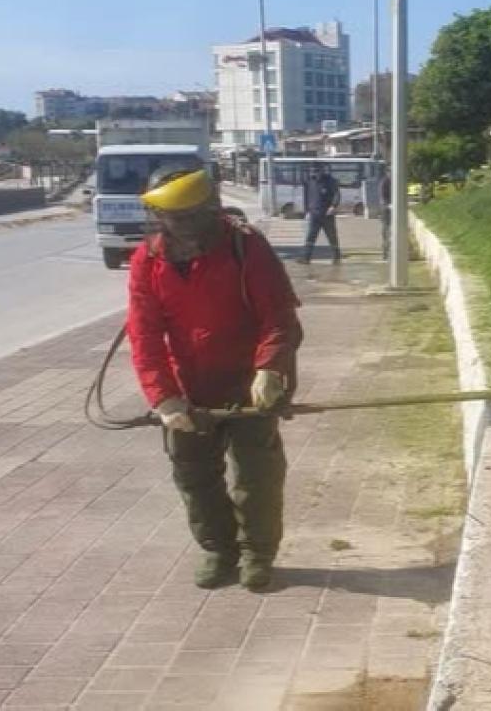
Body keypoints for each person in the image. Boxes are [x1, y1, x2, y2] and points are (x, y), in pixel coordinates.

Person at [126, 167, 303, 591]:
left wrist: (270, 369)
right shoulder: (147, 261)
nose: (185, 227)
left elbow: (279, 317)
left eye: (193, 216)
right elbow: (144, 335)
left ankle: (257, 553)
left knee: (257, 476)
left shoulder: (246, 247)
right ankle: (219, 549)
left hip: (250, 385)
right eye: (175, 218)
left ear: (211, 208)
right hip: (189, 389)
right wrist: (164, 397)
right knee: (194, 476)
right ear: (159, 216)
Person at [299, 162, 341, 264]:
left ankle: (336, 257)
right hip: (314, 214)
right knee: (310, 236)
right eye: (312, 171)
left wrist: (333, 206)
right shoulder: (309, 181)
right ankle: (306, 258)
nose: (314, 174)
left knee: (332, 236)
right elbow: (306, 197)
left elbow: (337, 194)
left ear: (322, 171)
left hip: (327, 214)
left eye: (316, 171)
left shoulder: (330, 181)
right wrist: (306, 211)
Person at [379, 167, 391, 261]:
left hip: (393, 210)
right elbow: (383, 196)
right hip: (386, 210)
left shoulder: (396, 181)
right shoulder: (385, 182)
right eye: (390, 172)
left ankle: (390, 252)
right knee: (386, 232)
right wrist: (388, 205)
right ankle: (385, 254)